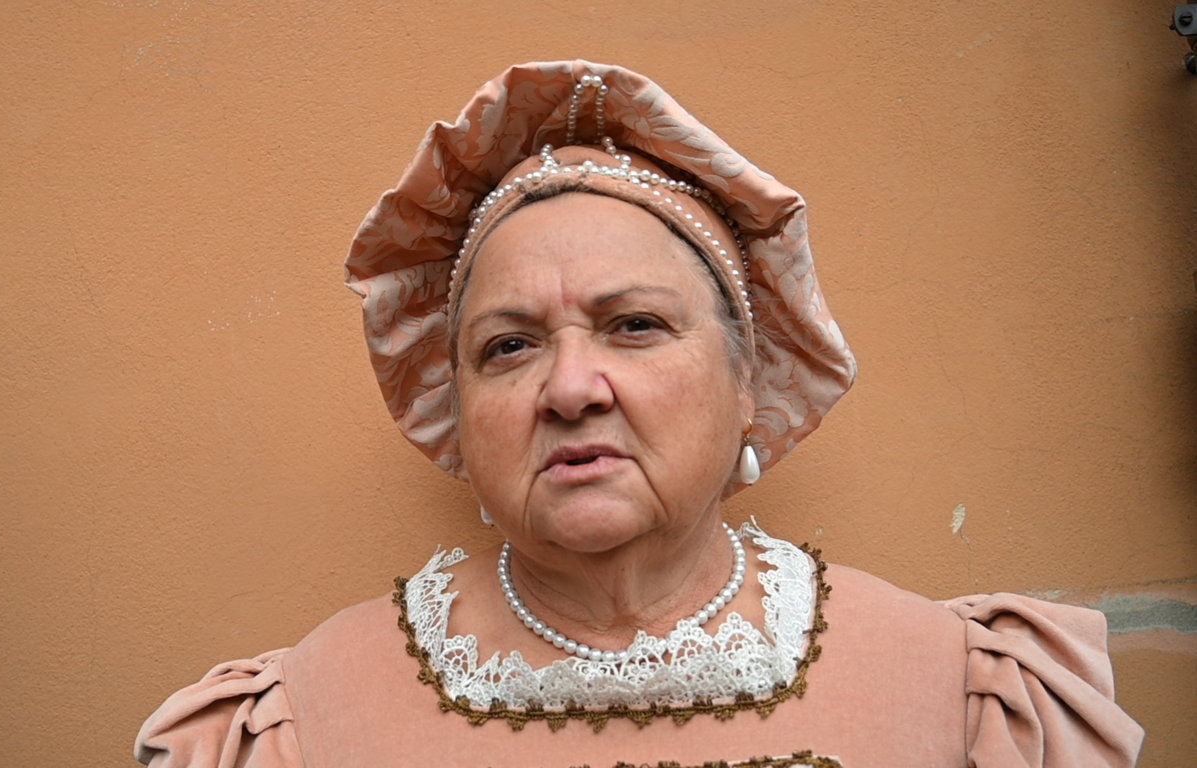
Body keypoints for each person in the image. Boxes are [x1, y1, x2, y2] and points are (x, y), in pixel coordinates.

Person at [134, 61, 1144, 767]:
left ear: (751, 380)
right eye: (509, 346)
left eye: (634, 326)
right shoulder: (301, 721)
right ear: (453, 409)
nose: (571, 389)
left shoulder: (965, 693)